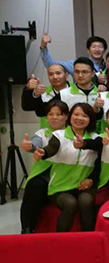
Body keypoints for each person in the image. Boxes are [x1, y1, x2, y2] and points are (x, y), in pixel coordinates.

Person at [35, 103, 101, 232]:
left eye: (84, 115)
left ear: (90, 119)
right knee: (70, 203)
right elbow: (52, 148)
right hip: (60, 187)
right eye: (76, 114)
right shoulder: (59, 135)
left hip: (84, 187)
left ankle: (89, 237)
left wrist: (91, 180)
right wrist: (43, 152)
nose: (79, 118)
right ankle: (59, 239)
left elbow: (99, 165)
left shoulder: (96, 139)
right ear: (70, 117)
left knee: (86, 201)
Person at [19, 100, 69, 233]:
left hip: (66, 175)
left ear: (66, 116)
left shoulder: (72, 133)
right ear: (46, 117)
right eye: (50, 114)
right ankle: (27, 229)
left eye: (59, 114)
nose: (54, 117)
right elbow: (35, 145)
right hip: (44, 174)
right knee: (34, 186)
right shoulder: (42, 133)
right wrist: (30, 146)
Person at [21, 64, 70, 128]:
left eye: (58, 73)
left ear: (66, 75)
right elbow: (27, 107)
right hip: (47, 132)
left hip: (72, 133)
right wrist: (29, 89)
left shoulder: (77, 92)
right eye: (50, 74)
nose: (55, 77)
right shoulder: (43, 92)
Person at [40, 33, 107, 75]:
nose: (97, 49)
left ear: (104, 50)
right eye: (94, 47)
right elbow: (51, 65)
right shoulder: (78, 64)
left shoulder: (108, 65)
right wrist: (43, 47)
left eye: (100, 47)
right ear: (88, 50)